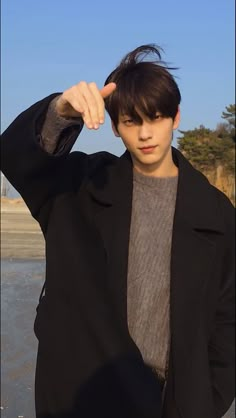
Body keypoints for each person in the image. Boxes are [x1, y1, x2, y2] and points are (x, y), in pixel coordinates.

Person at [1, 44, 235, 418]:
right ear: (114, 126)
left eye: (156, 118)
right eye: (131, 121)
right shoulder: (79, 189)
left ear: (175, 118)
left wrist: (208, 399)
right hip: (86, 398)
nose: (145, 134)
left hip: (174, 403)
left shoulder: (217, 213)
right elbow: (16, 159)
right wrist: (60, 110)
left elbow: (227, 320)